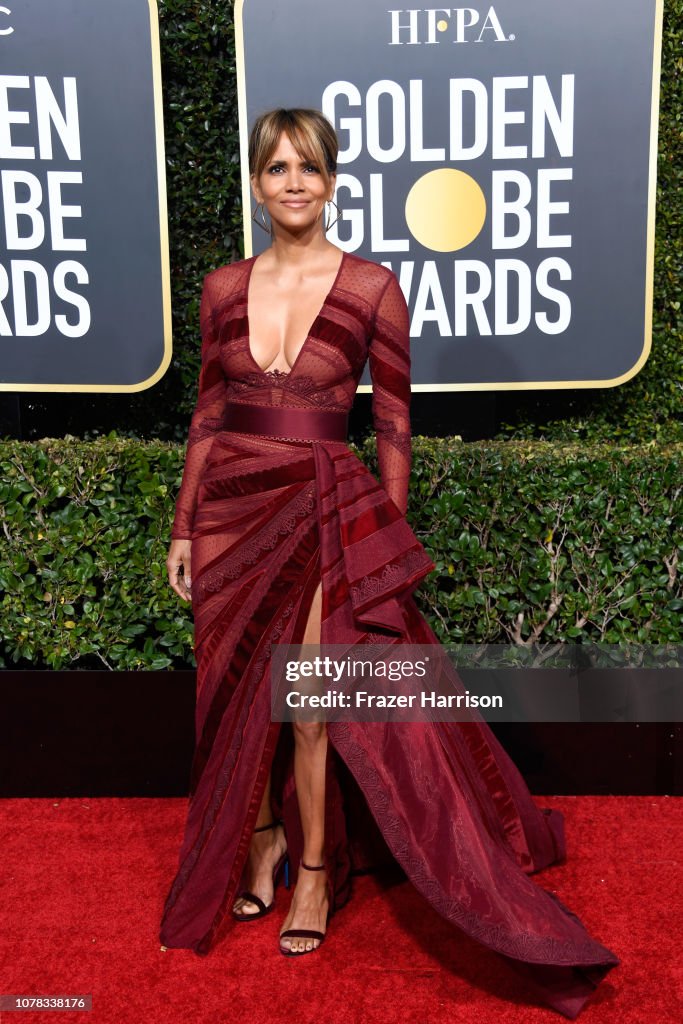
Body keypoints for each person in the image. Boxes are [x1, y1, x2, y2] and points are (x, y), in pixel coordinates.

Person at [159, 107, 619, 1017]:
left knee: (314, 703)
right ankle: (257, 846)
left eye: (308, 167)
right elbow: (209, 416)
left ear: (332, 181)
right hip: (230, 512)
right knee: (232, 695)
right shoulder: (219, 288)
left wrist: (382, 537)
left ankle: (316, 875)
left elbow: (396, 423)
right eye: (276, 167)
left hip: (326, 507)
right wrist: (182, 525)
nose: (292, 182)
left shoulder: (372, 285)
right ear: (256, 183)